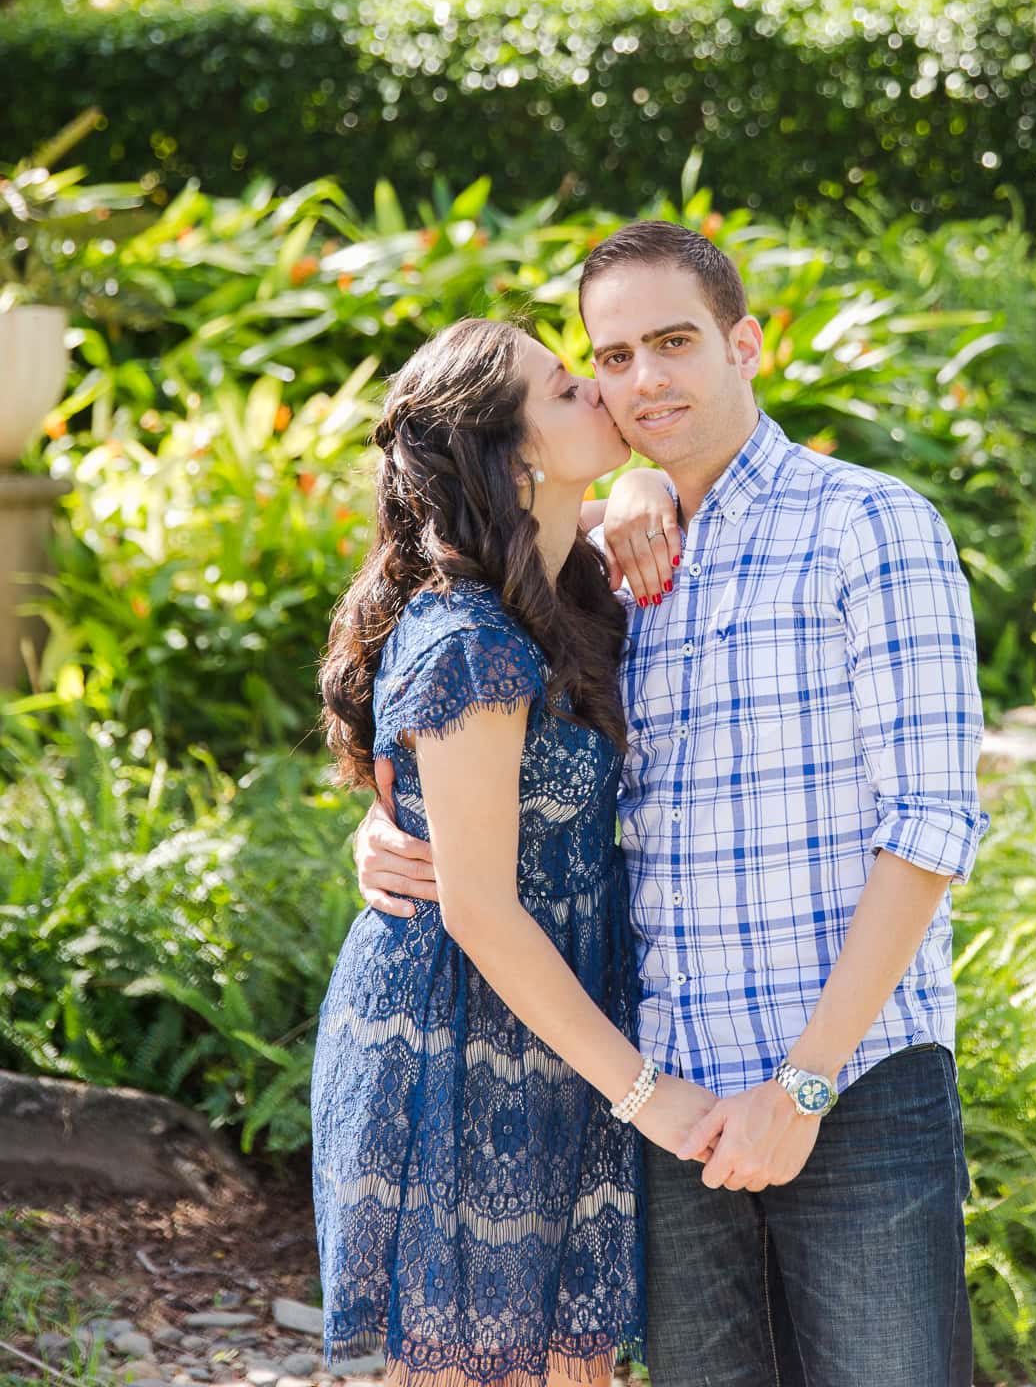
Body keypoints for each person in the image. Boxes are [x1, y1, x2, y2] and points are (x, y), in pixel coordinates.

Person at [354, 223, 991, 1387]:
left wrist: (801, 1083)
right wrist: (399, 830)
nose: (643, 378)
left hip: (849, 1081)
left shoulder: (867, 525)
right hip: (668, 1100)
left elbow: (931, 824)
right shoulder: (602, 571)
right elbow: (478, 715)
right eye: (608, 355)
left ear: (743, 344)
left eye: (674, 341)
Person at [310, 316, 718, 1387]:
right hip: (457, 1036)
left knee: (574, 1367)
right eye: (564, 383)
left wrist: (641, 490)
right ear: (513, 451)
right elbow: (480, 905)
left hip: (559, 1016)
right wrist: (647, 1093)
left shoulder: (570, 589)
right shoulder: (471, 638)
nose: (599, 388)